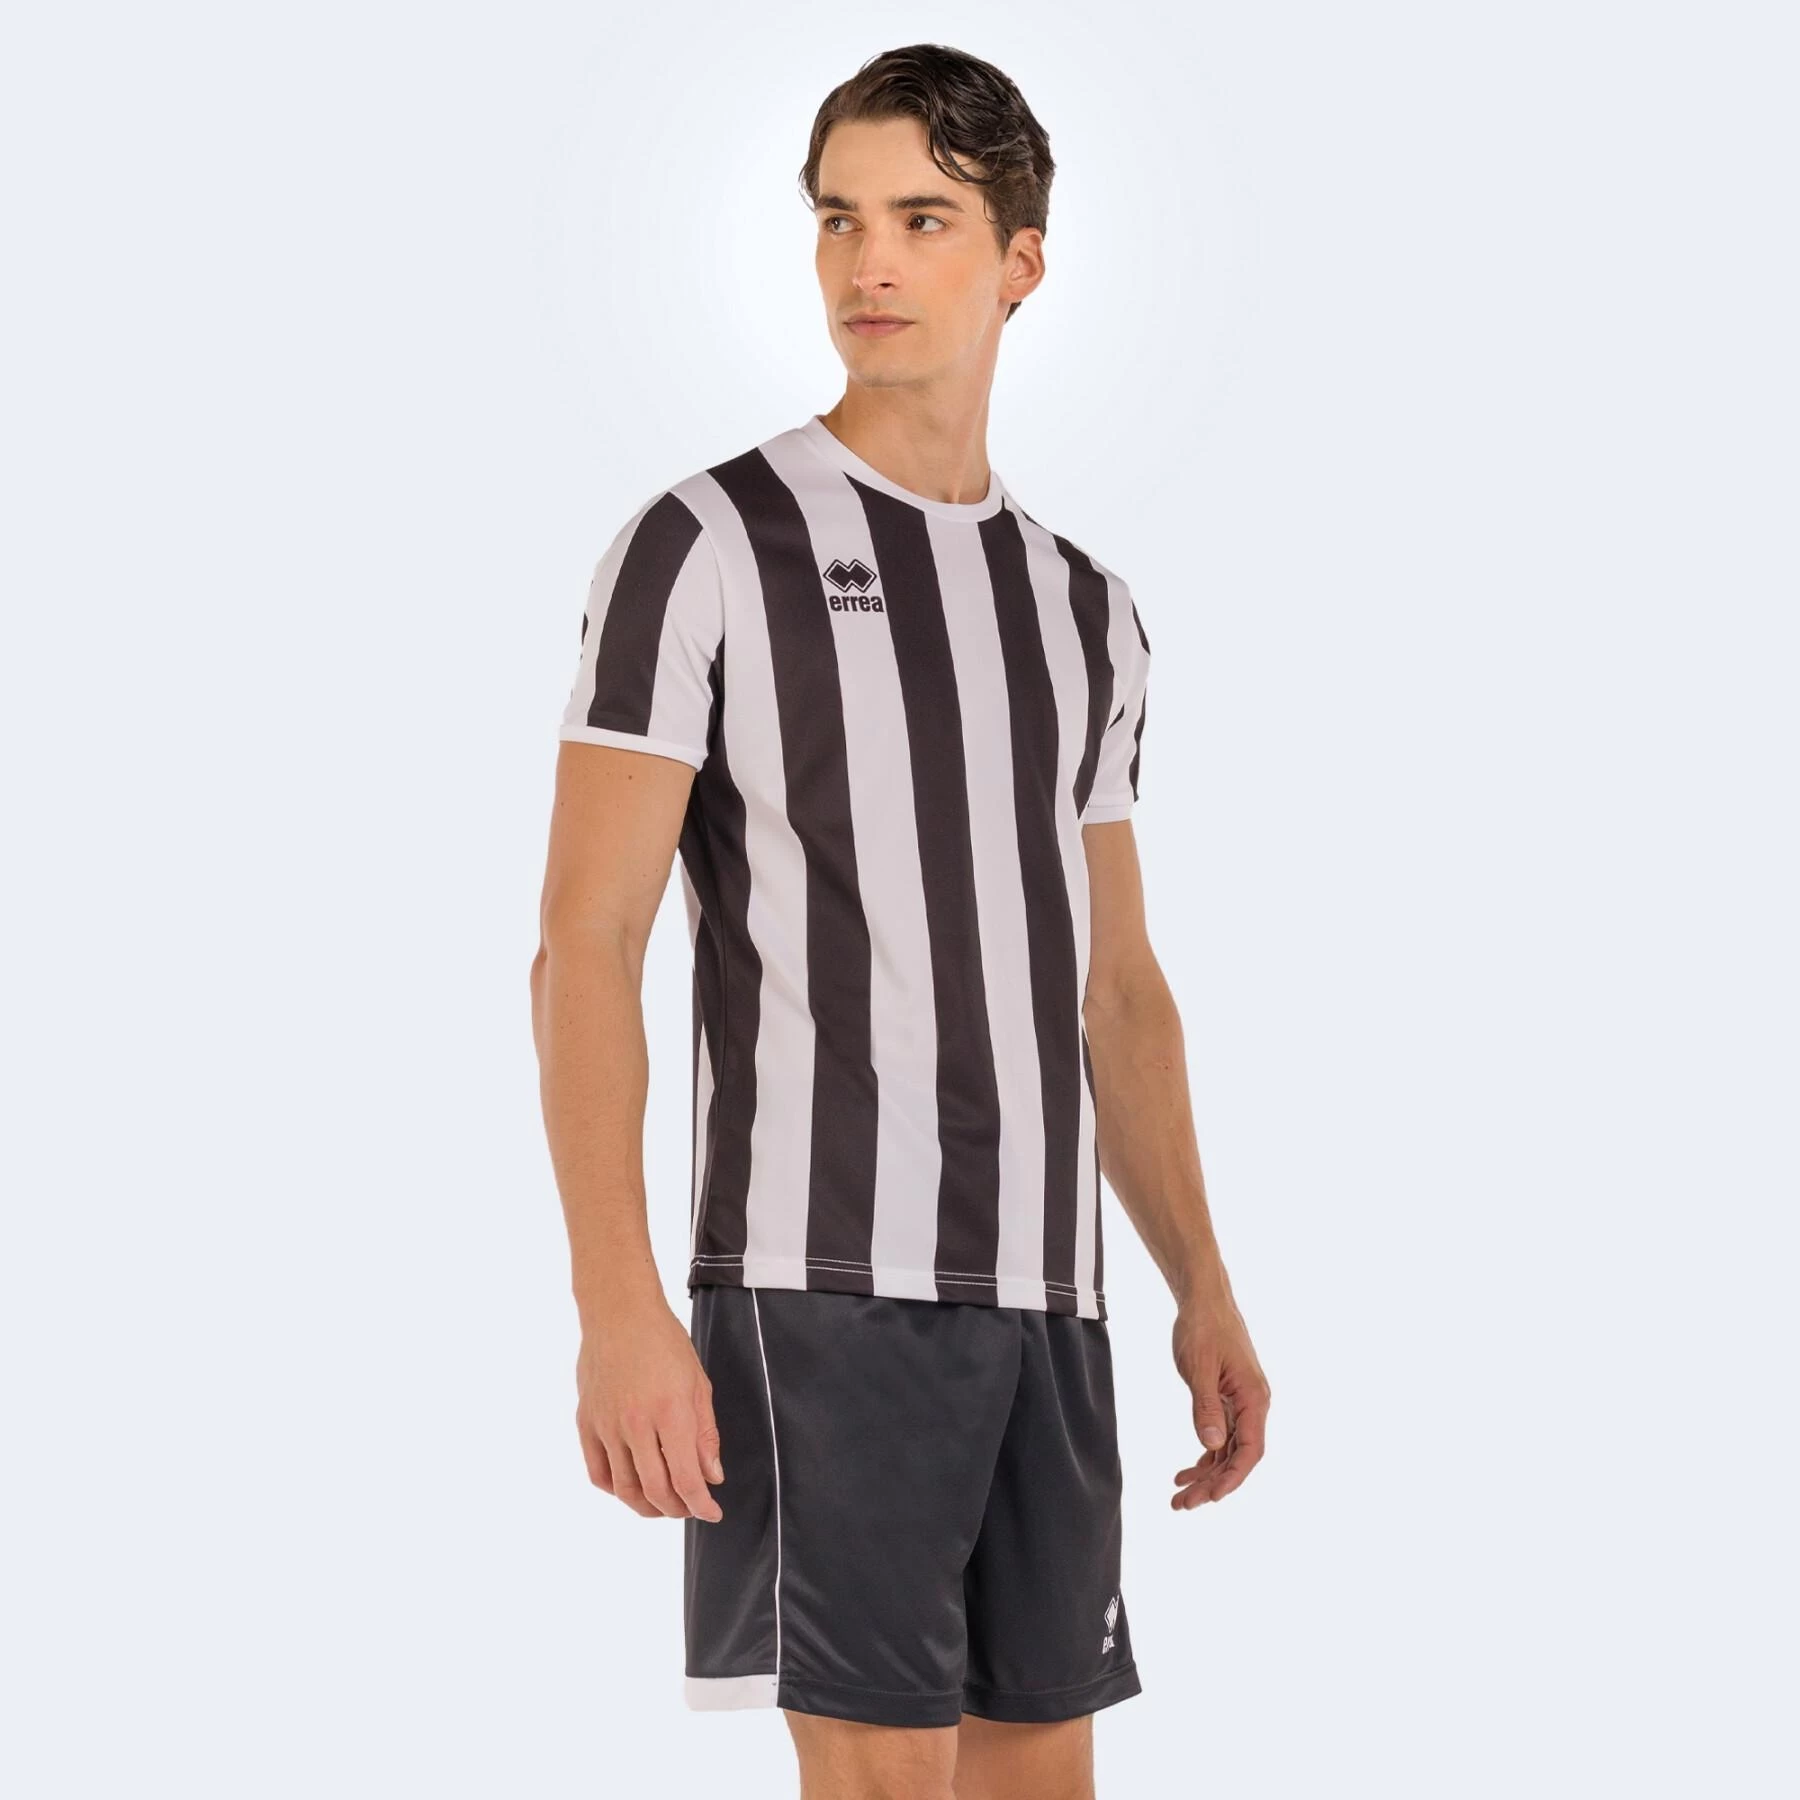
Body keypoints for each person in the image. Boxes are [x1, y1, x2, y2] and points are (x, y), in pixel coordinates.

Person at [529, 42, 1270, 1800]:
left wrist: (1203, 1287)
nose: (869, 261)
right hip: (825, 1293)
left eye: (924, 221)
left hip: (1051, 1299)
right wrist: (618, 1305)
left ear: (1021, 260)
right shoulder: (707, 543)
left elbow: (1118, 990)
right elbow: (585, 945)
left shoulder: (1084, 607)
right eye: (840, 219)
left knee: (1043, 1779)